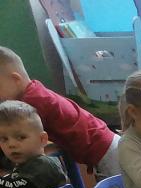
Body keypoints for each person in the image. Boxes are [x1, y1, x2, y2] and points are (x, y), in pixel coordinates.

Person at [0, 45, 120, 176]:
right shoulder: (35, 90)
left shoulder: (31, 102)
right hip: (105, 142)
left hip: (104, 149)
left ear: (16, 79)